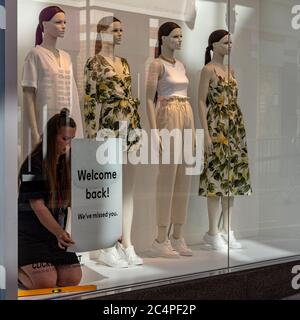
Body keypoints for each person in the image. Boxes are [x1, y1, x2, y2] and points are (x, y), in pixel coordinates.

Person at [84, 16, 143, 267]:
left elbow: (130, 96)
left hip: (130, 125)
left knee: (127, 189)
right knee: (107, 188)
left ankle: (126, 243)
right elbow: (89, 101)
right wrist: (90, 136)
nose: (120, 33)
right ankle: (106, 244)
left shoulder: (125, 63)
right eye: (114, 29)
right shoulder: (94, 63)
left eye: (121, 29)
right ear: (102, 33)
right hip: (108, 126)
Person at [198, 29, 252, 250]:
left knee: (234, 181)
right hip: (216, 126)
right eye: (225, 42)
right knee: (215, 180)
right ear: (214, 45)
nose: (229, 46)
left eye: (231, 42)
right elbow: (201, 101)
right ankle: (212, 231)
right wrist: (207, 134)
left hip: (234, 129)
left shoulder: (231, 71)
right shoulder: (208, 70)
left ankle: (227, 229)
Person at [146, 22, 195, 258]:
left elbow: (186, 96)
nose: (179, 40)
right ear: (163, 39)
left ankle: (178, 236)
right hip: (167, 114)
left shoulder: (182, 65)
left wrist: (194, 132)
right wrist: (154, 131)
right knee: (167, 177)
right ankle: (160, 238)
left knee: (185, 177)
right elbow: (147, 99)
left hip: (186, 113)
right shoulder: (156, 65)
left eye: (181, 36)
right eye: (175, 36)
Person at [18, 108, 82, 289]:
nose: (68, 144)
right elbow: (37, 205)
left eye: (71, 139)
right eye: (64, 138)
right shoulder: (32, 165)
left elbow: (74, 201)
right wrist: (59, 232)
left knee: (72, 278)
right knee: (45, 281)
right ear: (52, 136)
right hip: (30, 236)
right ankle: (14, 265)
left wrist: (105, 227)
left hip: (55, 236)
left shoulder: (65, 163)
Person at [22, 5, 83, 152]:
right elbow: (28, 95)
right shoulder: (35, 55)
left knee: (65, 168)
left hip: (67, 126)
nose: (63, 26)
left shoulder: (66, 56)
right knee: (47, 168)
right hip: (45, 124)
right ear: (44, 24)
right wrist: (35, 133)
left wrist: (78, 131)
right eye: (58, 22)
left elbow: (72, 94)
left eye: (65, 22)